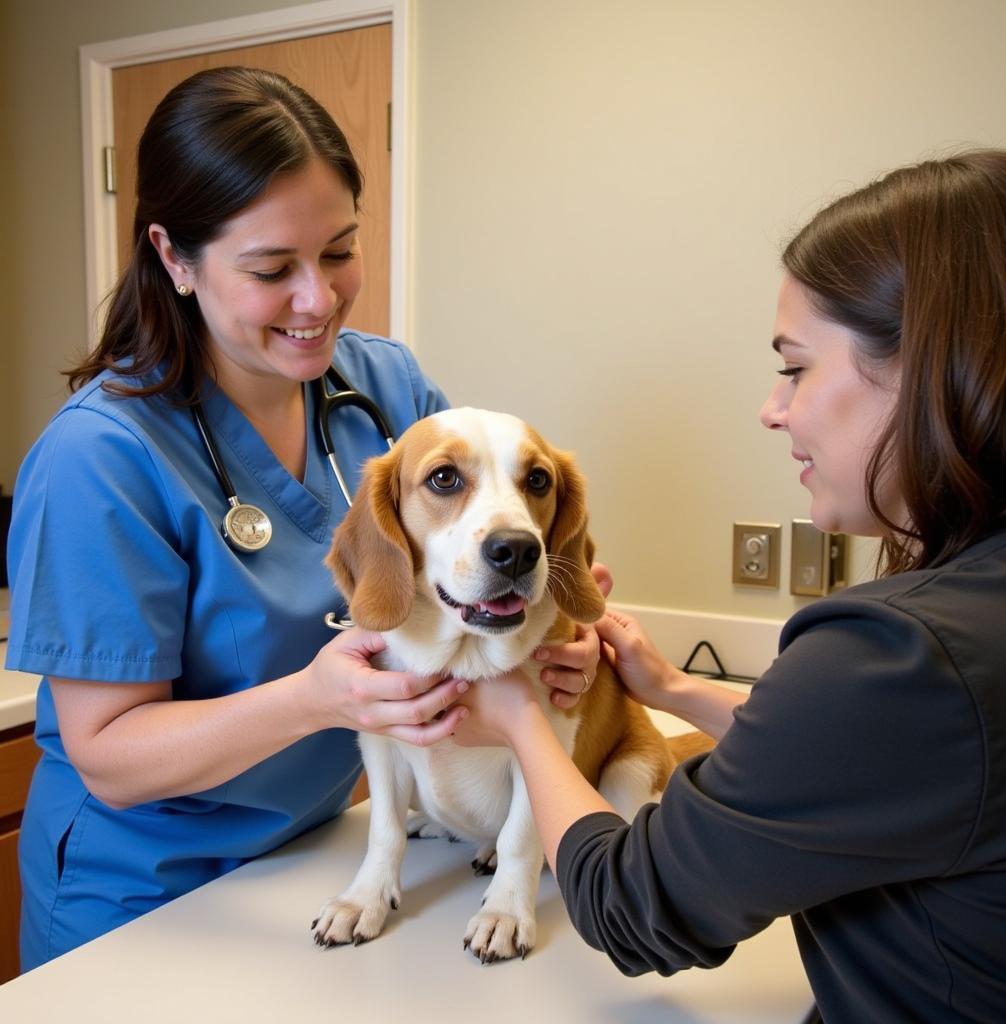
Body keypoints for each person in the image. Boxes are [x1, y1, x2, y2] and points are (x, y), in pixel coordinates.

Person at [4, 66, 598, 972]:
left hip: (323, 845)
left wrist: (562, 637)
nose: (318, 299)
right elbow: (110, 758)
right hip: (147, 892)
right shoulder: (99, 461)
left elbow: (478, 562)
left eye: (340, 250)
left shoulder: (385, 388)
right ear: (173, 257)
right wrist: (315, 701)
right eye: (272, 269)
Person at [453, 149, 1006, 1022]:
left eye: (795, 367)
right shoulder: (983, 615)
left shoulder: (905, 655)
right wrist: (674, 689)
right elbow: (888, 757)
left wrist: (520, 716)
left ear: (934, 366)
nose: (772, 408)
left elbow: (632, 907)